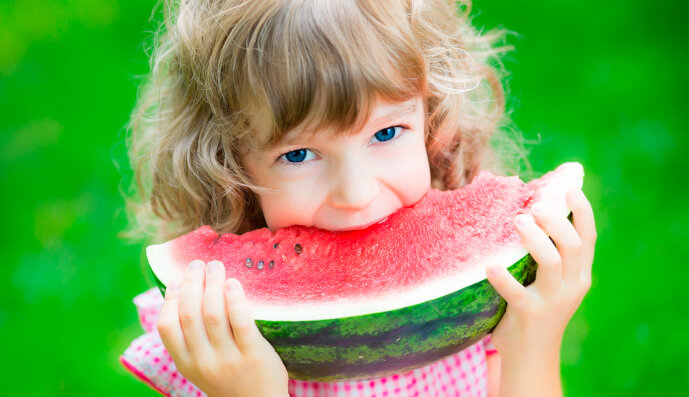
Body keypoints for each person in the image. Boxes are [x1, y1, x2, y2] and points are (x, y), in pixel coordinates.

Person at [120, 0, 597, 396]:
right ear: (230, 166)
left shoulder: (481, 299)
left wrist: (535, 337)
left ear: (432, 122)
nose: (356, 193)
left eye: (387, 132)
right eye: (300, 153)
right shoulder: (221, 350)